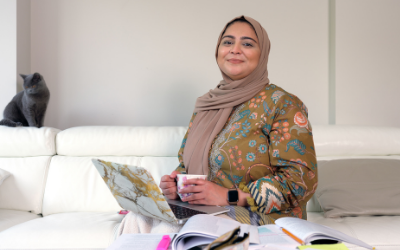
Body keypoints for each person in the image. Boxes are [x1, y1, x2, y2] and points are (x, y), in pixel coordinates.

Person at [159, 15, 318, 226]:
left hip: (265, 219)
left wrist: (228, 196)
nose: (235, 49)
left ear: (262, 55)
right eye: (227, 42)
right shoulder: (207, 106)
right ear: (218, 51)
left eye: (247, 44)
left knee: (188, 227)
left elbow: (301, 181)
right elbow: (186, 165)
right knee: (141, 217)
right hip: (205, 212)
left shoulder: (282, 104)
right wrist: (176, 184)